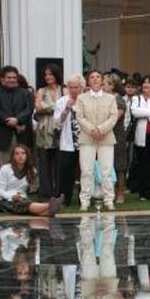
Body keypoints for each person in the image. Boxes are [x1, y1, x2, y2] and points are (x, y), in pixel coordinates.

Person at [76, 69, 118, 212]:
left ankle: (108, 200)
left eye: (98, 77)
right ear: (88, 81)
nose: (95, 79)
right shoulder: (82, 98)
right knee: (86, 170)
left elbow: (113, 117)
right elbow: (80, 117)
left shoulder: (110, 98)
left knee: (106, 170)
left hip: (106, 138)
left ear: (102, 80)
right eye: (92, 77)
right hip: (87, 138)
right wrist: (92, 130)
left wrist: (100, 129)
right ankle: (85, 201)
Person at [0, 65, 35, 169]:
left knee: (23, 167)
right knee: (3, 167)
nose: (12, 80)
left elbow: (28, 110)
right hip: (2, 136)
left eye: (14, 77)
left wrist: (17, 120)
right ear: (2, 79)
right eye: (9, 78)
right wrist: (11, 122)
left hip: (22, 136)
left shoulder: (26, 93)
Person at [0, 145, 61, 217]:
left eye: (23, 153)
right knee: (22, 204)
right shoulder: (5, 169)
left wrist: (20, 196)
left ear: (27, 155)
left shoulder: (32, 170)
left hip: (22, 198)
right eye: (17, 154)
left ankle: (51, 208)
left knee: (31, 206)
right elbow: (0, 191)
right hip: (5, 200)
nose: (20, 156)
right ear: (13, 156)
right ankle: (51, 205)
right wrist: (12, 196)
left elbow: (28, 189)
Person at [33, 64, 63, 199]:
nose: (48, 77)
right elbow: (38, 108)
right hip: (44, 129)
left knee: (59, 162)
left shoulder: (64, 90)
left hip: (60, 128)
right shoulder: (41, 91)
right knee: (44, 162)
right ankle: (45, 192)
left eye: (50, 74)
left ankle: (58, 191)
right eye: (46, 75)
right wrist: (56, 106)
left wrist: (48, 107)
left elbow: (68, 105)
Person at [54, 75, 82, 206]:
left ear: (81, 87)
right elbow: (57, 123)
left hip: (84, 142)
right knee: (66, 171)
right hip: (68, 143)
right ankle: (65, 199)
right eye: (70, 87)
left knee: (84, 171)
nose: (73, 90)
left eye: (76, 87)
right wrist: (66, 109)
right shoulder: (61, 101)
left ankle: (84, 199)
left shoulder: (85, 100)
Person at [102, 74, 128, 204]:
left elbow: (114, 119)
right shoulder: (102, 99)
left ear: (112, 86)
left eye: (105, 83)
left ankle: (120, 193)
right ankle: (109, 192)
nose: (102, 86)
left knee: (119, 166)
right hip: (104, 135)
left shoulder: (118, 100)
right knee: (107, 165)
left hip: (116, 135)